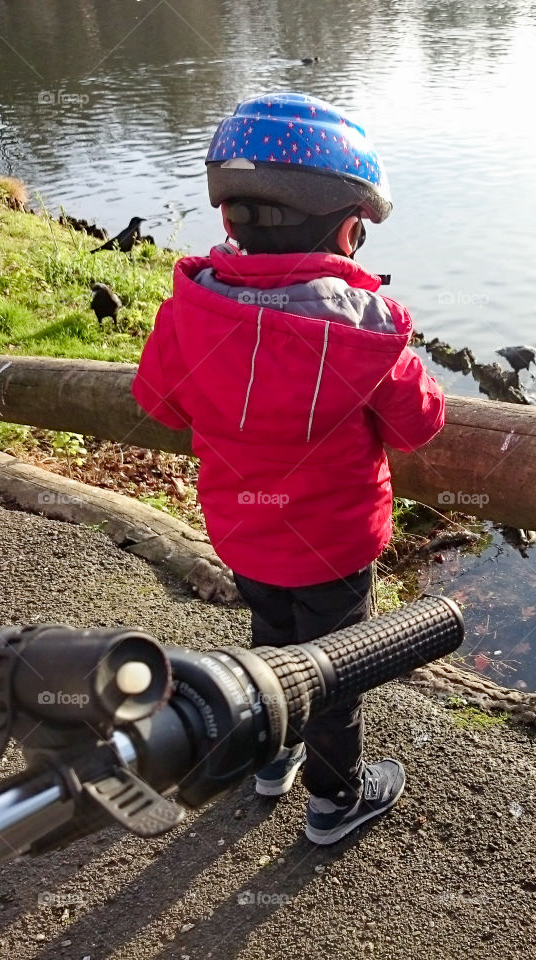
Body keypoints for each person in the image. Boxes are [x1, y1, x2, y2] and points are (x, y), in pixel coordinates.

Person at [132, 91, 445, 845]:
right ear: (347, 229)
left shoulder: (190, 311)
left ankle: (272, 756)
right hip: (333, 547)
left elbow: (162, 404)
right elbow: (419, 424)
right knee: (337, 671)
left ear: (229, 219)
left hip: (244, 534)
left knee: (269, 639)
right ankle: (336, 801)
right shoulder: (367, 335)